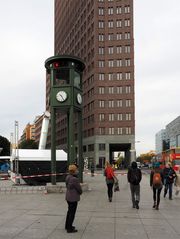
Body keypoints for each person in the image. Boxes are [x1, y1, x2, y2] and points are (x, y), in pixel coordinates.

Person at [65, 164, 82, 233]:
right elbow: (79, 189)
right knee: (72, 213)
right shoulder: (74, 179)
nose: (77, 171)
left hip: (68, 196)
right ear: (74, 171)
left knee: (69, 212)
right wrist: (80, 192)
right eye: (76, 169)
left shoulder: (68, 177)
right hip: (73, 198)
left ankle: (67, 226)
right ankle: (69, 228)